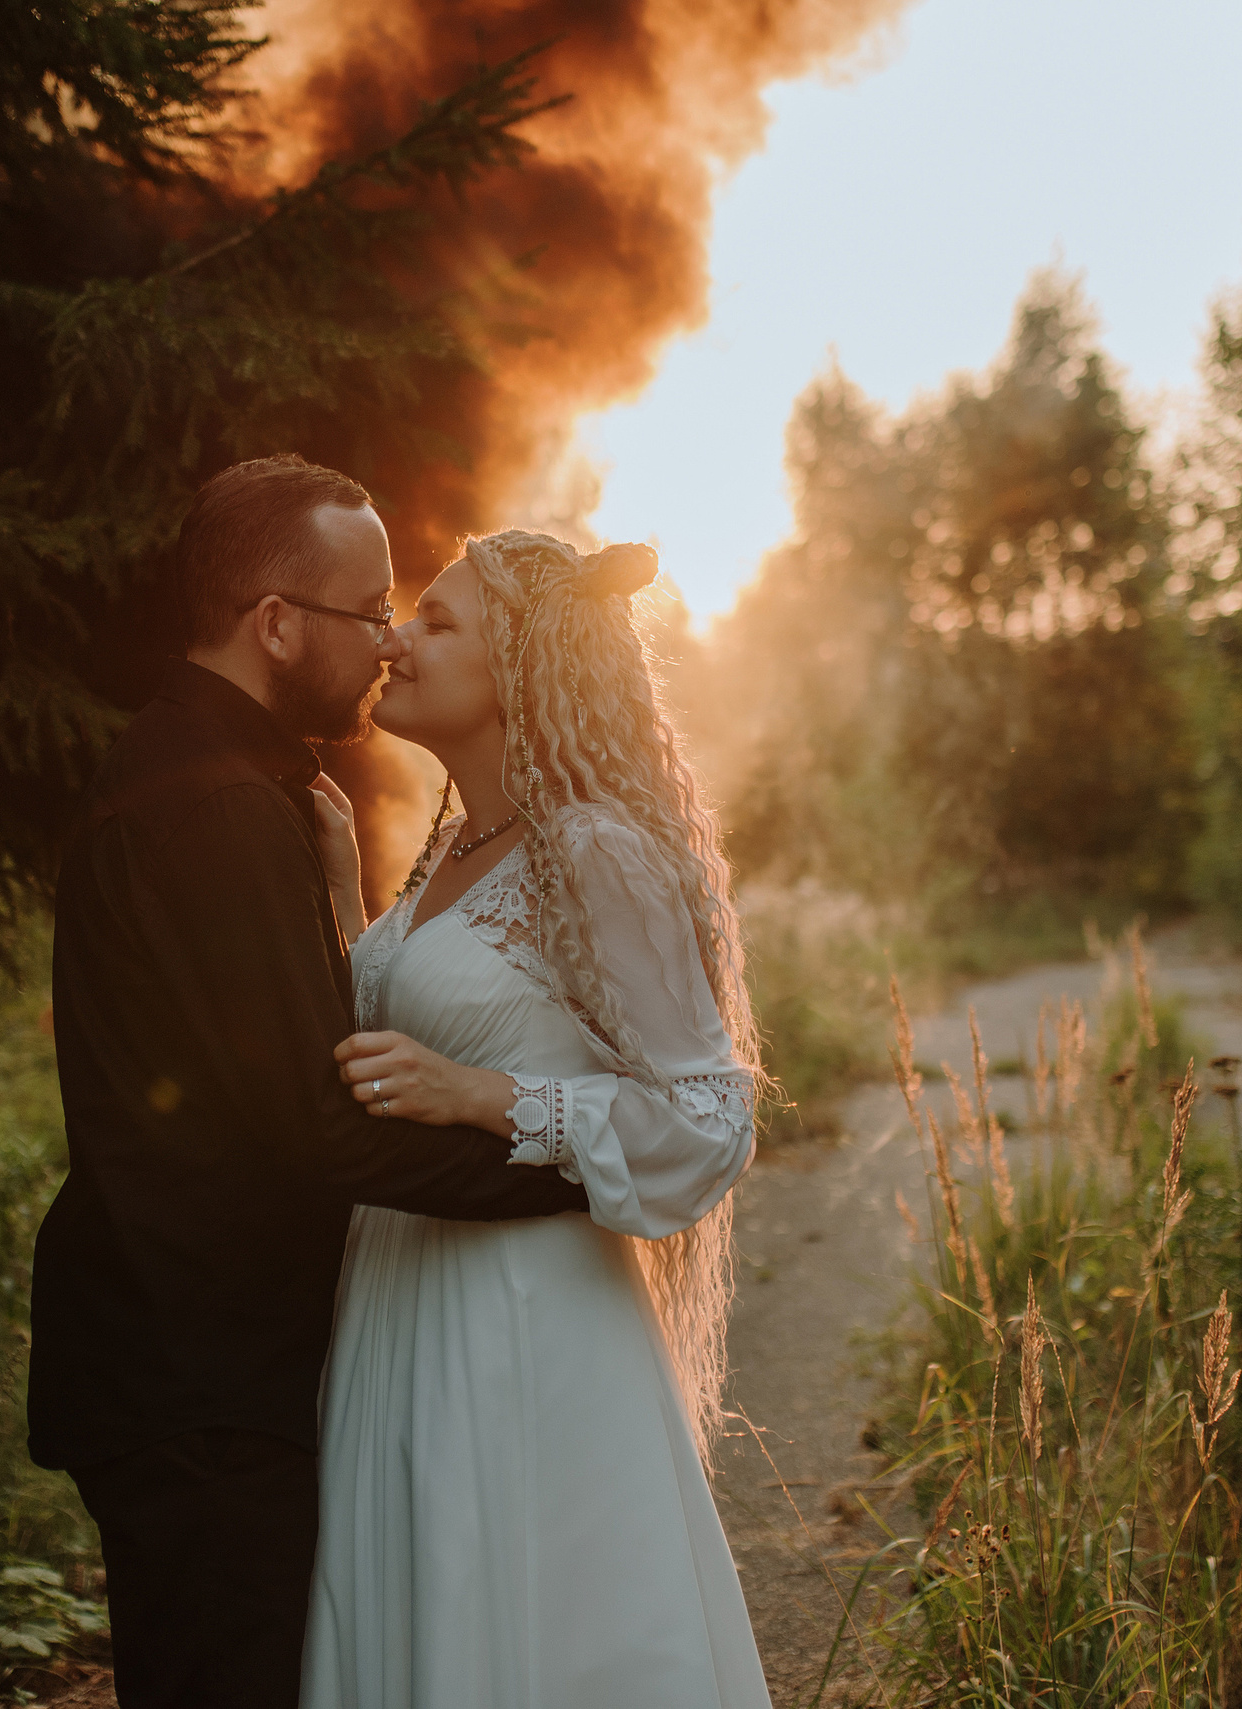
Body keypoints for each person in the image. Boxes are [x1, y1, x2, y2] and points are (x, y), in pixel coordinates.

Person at [27, 457, 589, 1708]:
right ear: (277, 623)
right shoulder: (217, 807)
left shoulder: (222, 780)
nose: (387, 638)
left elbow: (277, 1055)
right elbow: (322, 1126)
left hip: (197, 1358)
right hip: (200, 1378)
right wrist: (573, 1167)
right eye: (368, 607)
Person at [299, 528, 772, 1708]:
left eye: (438, 621)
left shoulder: (594, 850)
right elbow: (386, 1037)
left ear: (523, 664)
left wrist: (488, 1098)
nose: (396, 638)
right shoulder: (450, 847)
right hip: (397, 1296)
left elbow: (709, 1117)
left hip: (521, 1320)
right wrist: (340, 895)